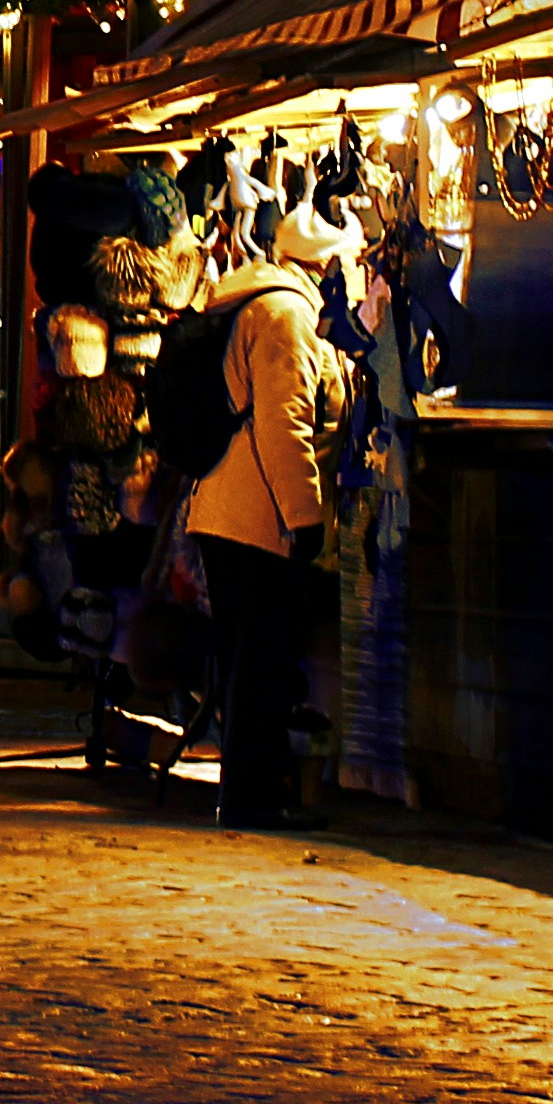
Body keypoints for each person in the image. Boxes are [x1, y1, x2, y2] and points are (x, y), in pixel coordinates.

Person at [178, 208, 347, 828]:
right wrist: (306, 517)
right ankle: (254, 799)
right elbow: (285, 425)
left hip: (227, 509)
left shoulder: (252, 305)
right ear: (322, 266)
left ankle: (249, 791)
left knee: (245, 657)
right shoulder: (285, 318)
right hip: (257, 516)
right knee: (262, 660)